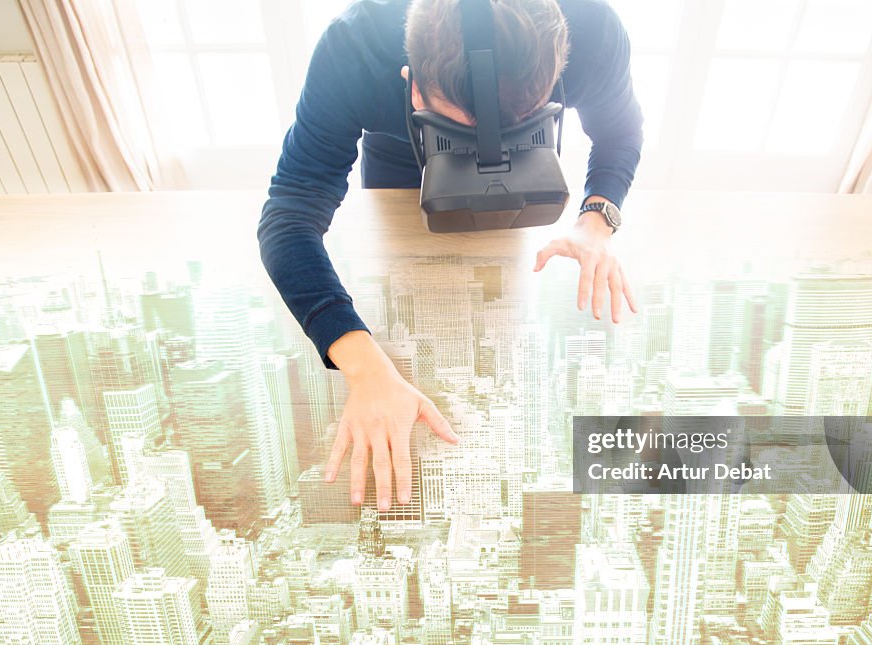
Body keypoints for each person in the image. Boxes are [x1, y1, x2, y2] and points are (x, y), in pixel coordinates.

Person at [257, 0, 643, 512]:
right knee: (410, 333)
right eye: (461, 128)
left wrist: (597, 220)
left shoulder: (590, 28)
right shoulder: (356, 48)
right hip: (402, 171)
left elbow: (619, 132)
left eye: (521, 124)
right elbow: (289, 214)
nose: (490, 160)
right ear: (411, 82)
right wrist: (365, 368)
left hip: (525, 208)